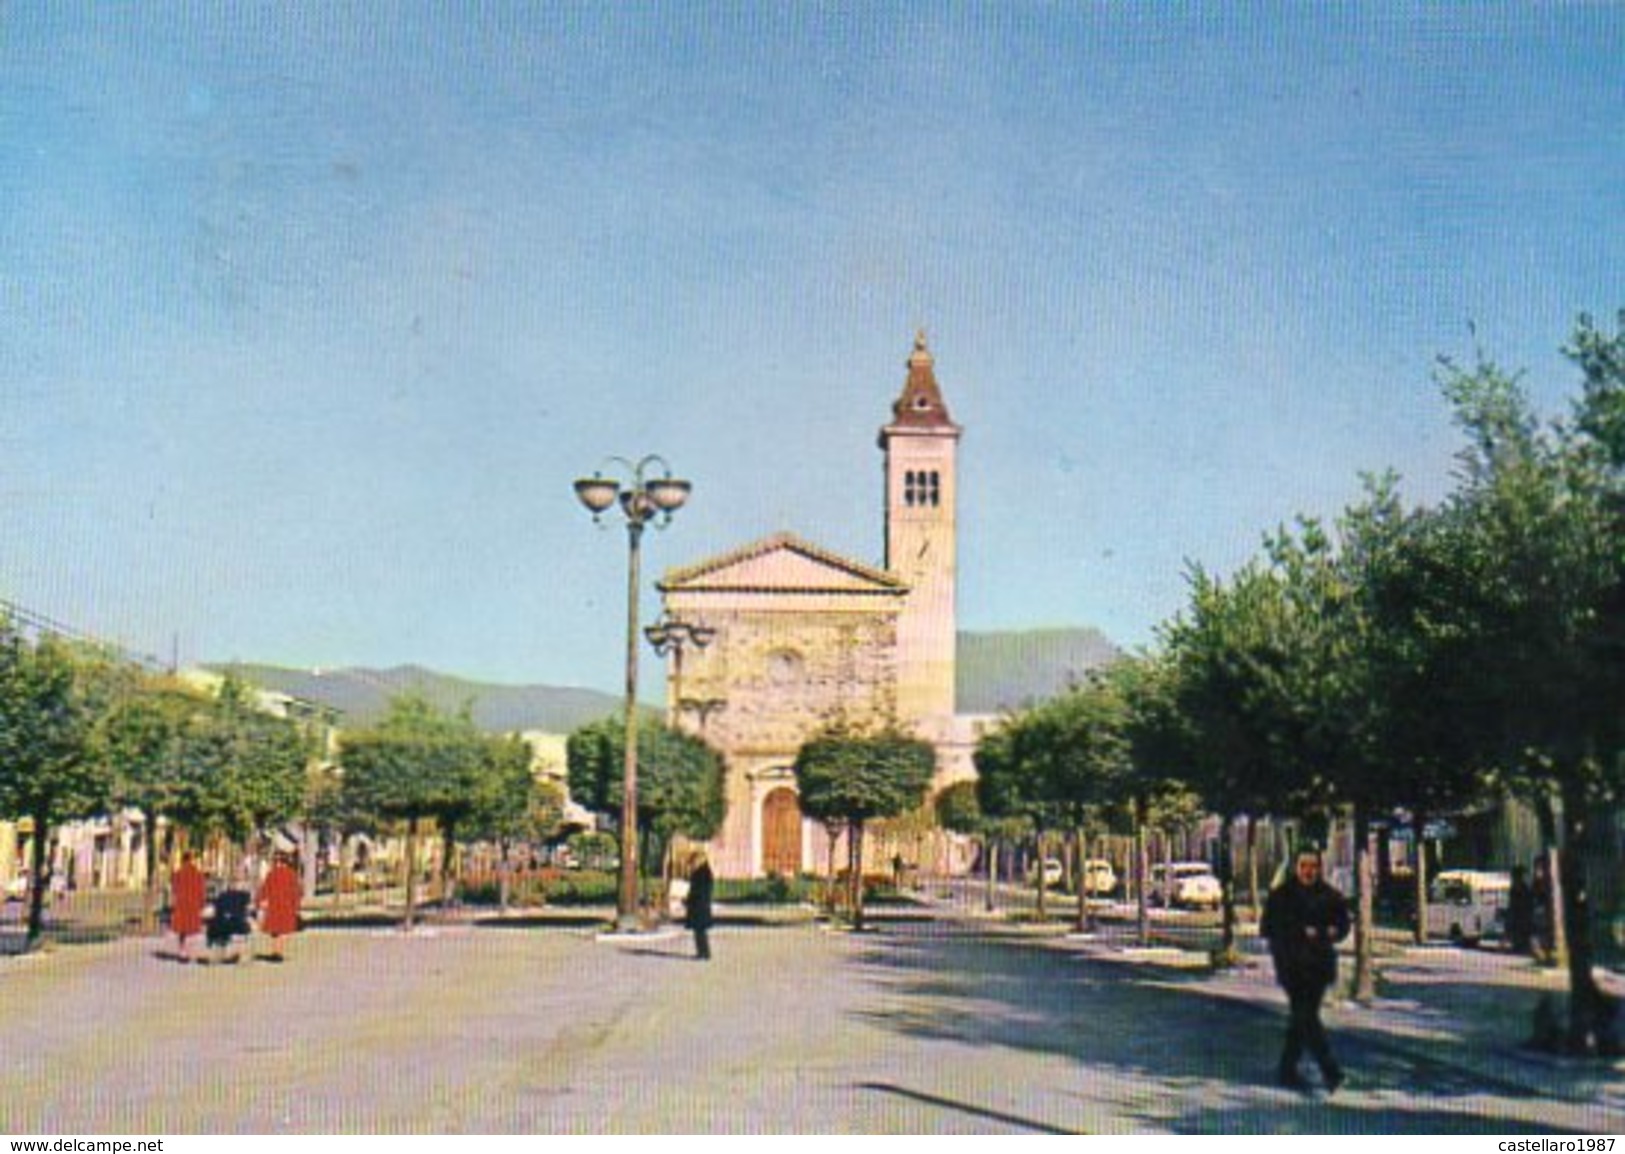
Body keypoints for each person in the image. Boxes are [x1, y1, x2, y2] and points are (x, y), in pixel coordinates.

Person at [1260, 847, 1351, 1093]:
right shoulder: (1281, 897)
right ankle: (1331, 1072)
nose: (1308, 871)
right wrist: (1298, 933)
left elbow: (1343, 923)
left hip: (1319, 968)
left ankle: (1287, 1070)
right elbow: (1268, 928)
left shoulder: (1330, 895)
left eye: (1313, 866)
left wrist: (1335, 931)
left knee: (1302, 1017)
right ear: (1295, 867)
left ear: (1319, 868)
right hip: (1292, 967)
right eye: (1303, 866)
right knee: (1306, 1016)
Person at [256, 853, 302, 963]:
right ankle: (279, 952)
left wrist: (260, 902)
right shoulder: (291, 874)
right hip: (286, 906)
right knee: (283, 931)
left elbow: (264, 889)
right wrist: (296, 906)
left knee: (275, 931)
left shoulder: (271, 874)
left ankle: (275, 950)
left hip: (274, 906)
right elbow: (297, 892)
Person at [169, 852, 207, 962]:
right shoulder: (198, 874)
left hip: (182, 904)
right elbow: (202, 890)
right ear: (191, 860)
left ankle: (182, 952)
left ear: (182, 860)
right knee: (192, 930)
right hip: (194, 904)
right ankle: (189, 952)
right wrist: (202, 904)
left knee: (182, 930)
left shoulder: (178, 874)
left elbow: (174, 889)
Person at [683, 851, 714, 962]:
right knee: (699, 931)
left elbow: (698, 890)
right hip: (700, 905)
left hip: (700, 905)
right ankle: (702, 952)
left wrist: (690, 899)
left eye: (693, 861)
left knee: (700, 931)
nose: (692, 864)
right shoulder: (703, 872)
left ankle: (704, 953)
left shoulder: (702, 873)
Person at [1506, 864, 1535, 956]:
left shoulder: (1521, 887)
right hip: (1520, 913)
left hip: (1521, 913)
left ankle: (1521, 945)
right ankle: (1520, 945)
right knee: (1519, 929)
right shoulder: (1519, 887)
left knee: (1521, 929)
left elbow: (1524, 900)